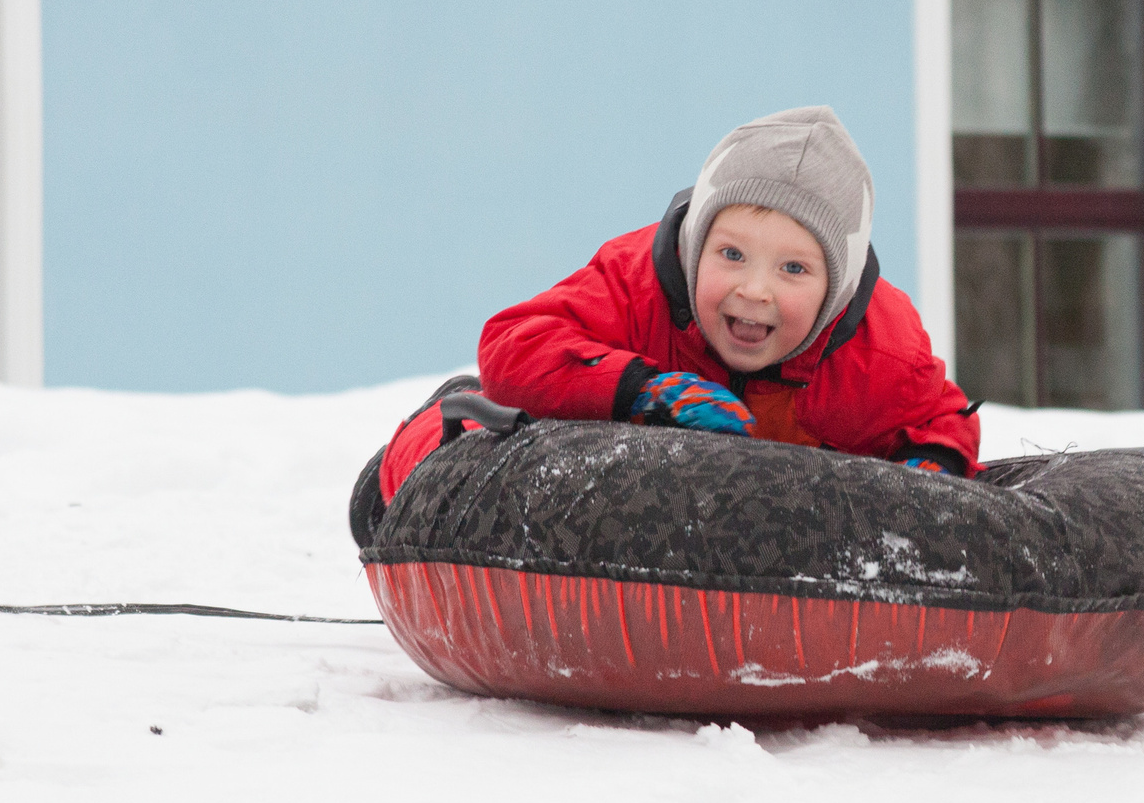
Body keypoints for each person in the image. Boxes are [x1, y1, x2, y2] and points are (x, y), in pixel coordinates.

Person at [369, 106, 979, 511]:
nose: (755, 290)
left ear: (835, 290)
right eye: (732, 254)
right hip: (606, 452)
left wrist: (930, 473)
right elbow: (512, 344)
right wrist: (641, 388)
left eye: (793, 269)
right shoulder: (637, 285)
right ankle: (394, 478)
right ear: (695, 248)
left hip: (738, 517)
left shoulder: (876, 352)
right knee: (488, 431)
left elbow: (941, 418)